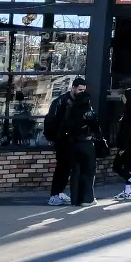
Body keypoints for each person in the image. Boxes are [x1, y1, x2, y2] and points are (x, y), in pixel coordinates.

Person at [44, 76, 86, 206]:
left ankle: (59, 192)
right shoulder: (61, 102)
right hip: (62, 140)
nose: (82, 92)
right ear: (73, 88)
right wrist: (53, 138)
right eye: (80, 90)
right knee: (62, 167)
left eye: (84, 90)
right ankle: (54, 195)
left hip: (73, 140)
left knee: (67, 168)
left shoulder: (81, 102)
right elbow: (51, 121)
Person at [63, 88, 103, 206]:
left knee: (76, 172)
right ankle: (87, 199)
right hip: (86, 144)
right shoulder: (89, 113)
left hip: (73, 144)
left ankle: (75, 199)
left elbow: (66, 127)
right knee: (88, 171)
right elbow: (97, 128)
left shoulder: (71, 111)